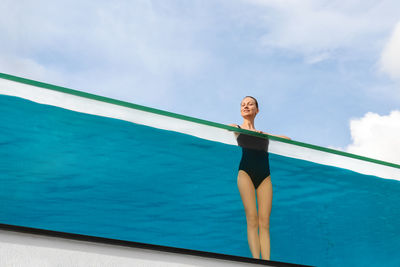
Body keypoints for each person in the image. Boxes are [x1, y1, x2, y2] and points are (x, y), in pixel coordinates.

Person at [229, 96, 290, 260]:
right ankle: (255, 260)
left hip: (265, 176)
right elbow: (227, 127)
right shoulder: (236, 127)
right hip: (245, 173)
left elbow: (288, 139)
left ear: (257, 110)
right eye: (242, 104)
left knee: (265, 223)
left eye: (250, 104)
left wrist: (265, 134)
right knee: (252, 219)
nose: (246, 106)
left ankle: (266, 262)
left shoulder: (263, 134)